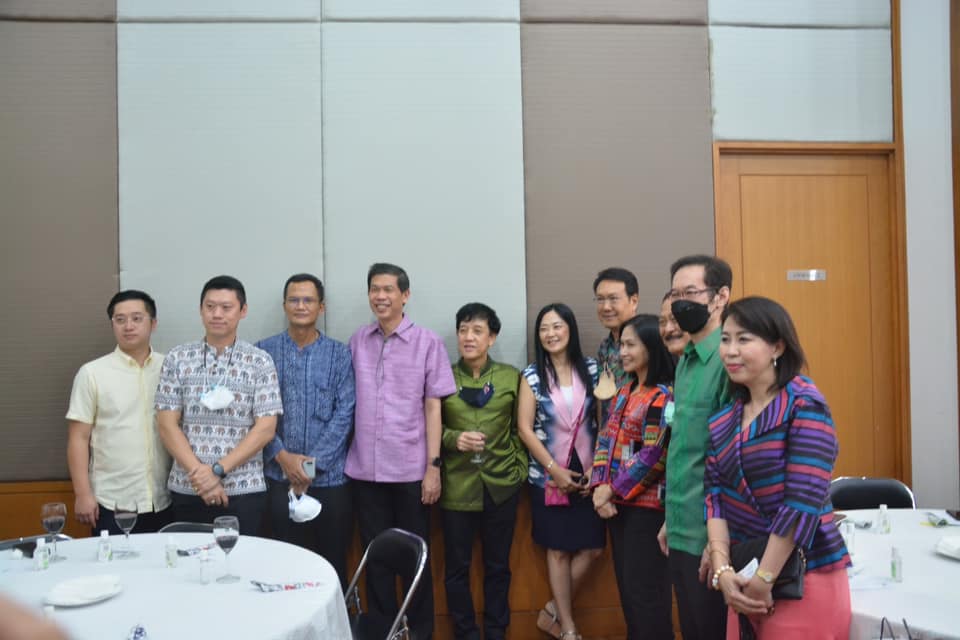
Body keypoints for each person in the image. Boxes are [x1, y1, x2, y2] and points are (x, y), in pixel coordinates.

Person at [705, 297, 851, 638]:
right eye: (725, 339)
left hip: (803, 576)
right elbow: (714, 498)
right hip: (744, 577)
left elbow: (802, 502)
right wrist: (722, 571)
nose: (730, 351)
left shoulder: (804, 404)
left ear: (778, 346)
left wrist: (765, 578)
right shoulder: (723, 420)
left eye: (744, 339)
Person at [345, 263, 456, 640]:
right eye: (374, 289)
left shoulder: (428, 342)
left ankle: (419, 634)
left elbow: (434, 407)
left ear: (405, 295)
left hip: (410, 471)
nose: (380, 296)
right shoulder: (358, 341)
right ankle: (382, 632)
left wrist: (433, 468)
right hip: (365, 472)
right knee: (374, 560)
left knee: (415, 560)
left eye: (388, 289)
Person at [156, 275, 282, 535]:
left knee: (240, 559)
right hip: (189, 486)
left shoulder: (260, 361)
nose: (217, 314)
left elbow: (266, 428)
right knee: (188, 559)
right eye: (210, 306)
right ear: (200, 310)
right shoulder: (177, 358)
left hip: (243, 489)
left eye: (226, 307)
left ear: (242, 311)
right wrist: (201, 476)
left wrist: (217, 471)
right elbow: (167, 424)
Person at [255, 273, 355, 589]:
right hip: (277, 477)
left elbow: (345, 414)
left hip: (329, 481)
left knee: (331, 565)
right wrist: (283, 458)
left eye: (308, 300)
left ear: (321, 307)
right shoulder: (263, 352)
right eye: (294, 300)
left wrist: (309, 468)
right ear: (284, 305)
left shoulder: (340, 354)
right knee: (283, 567)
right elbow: (256, 413)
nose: (301, 306)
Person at [439, 303, 527, 640]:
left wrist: (519, 470)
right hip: (457, 488)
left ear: (492, 338)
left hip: (501, 485)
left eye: (477, 331)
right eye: (463, 330)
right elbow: (427, 427)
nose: (468, 337)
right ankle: (465, 634)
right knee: (456, 570)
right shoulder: (443, 376)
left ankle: (495, 632)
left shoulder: (510, 377)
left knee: (498, 567)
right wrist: (453, 438)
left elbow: (522, 428)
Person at [518, 303, 604, 640]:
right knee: (557, 550)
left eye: (557, 326)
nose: (550, 334)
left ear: (570, 329)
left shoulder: (593, 370)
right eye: (544, 328)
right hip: (547, 475)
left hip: (588, 472)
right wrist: (553, 470)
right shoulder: (532, 375)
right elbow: (524, 428)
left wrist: (598, 468)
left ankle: (553, 609)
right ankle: (568, 628)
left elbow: (605, 422)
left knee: (594, 548)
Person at [659, 255, 732, 640]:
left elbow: (729, 460)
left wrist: (717, 543)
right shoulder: (686, 360)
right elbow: (685, 448)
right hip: (680, 525)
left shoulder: (728, 361)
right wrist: (671, 518)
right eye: (675, 294)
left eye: (690, 292)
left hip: (711, 537)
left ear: (720, 297)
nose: (680, 303)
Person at [590, 314, 675, 640]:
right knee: (628, 591)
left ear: (651, 348)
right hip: (617, 505)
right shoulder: (625, 390)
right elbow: (606, 438)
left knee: (646, 594)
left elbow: (655, 454)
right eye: (621, 345)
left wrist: (612, 489)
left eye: (630, 345)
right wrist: (600, 486)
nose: (622, 352)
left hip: (648, 509)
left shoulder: (662, 395)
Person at [66, 290, 172, 535]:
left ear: (153, 323)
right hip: (112, 502)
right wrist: (82, 494)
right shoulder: (92, 373)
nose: (128, 326)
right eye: (120, 320)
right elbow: (78, 438)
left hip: (164, 498)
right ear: (112, 324)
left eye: (137, 318)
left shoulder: (170, 367)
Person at [593, 268, 640, 420]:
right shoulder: (604, 347)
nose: (606, 307)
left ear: (633, 301)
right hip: (610, 431)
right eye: (600, 299)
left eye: (613, 299)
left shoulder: (649, 341)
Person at [659, 291, 690, 360]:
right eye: (662, 321)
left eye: (675, 319)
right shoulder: (682, 362)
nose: (668, 329)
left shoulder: (715, 360)